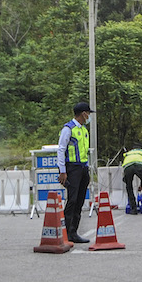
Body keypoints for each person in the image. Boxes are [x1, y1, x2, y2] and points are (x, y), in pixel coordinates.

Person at [57, 101, 93, 243]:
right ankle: (66, 231)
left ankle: (74, 232)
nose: (89, 116)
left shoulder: (84, 130)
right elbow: (61, 150)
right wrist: (62, 171)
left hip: (83, 167)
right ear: (83, 114)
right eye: (88, 113)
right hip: (72, 168)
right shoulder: (68, 129)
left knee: (79, 201)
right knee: (72, 200)